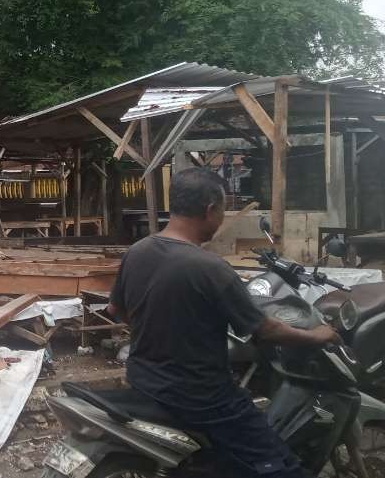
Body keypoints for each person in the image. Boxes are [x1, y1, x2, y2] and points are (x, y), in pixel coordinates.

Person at [107, 167, 338, 478]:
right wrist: (318, 335)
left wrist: (161, 329)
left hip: (144, 380)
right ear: (210, 209)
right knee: (280, 464)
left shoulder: (138, 251)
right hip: (201, 396)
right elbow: (266, 330)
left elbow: (115, 308)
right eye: (224, 210)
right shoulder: (210, 268)